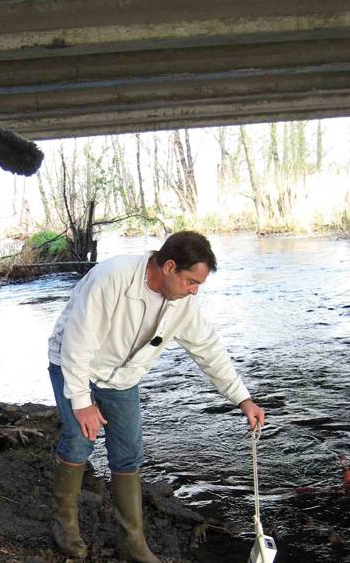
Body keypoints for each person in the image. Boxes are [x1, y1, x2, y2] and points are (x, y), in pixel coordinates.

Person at [47, 231, 265, 562]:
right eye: (191, 281)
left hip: (122, 378)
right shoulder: (113, 278)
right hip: (73, 364)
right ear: (169, 266)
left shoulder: (183, 303)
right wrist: (82, 401)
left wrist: (243, 399)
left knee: (129, 454)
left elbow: (208, 350)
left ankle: (132, 541)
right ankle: (65, 526)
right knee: (79, 440)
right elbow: (77, 343)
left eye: (199, 286)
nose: (194, 291)